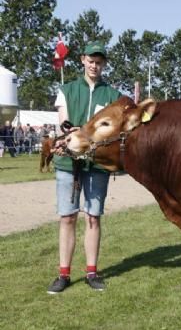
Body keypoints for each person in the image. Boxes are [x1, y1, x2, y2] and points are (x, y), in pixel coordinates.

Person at [47, 41, 121, 294]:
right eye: (91, 61)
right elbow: (64, 124)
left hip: (97, 164)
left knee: (92, 217)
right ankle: (63, 274)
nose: (94, 66)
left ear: (104, 65)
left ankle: (91, 271)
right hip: (68, 163)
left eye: (99, 62)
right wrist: (73, 135)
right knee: (67, 217)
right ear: (83, 60)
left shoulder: (111, 95)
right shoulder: (66, 89)